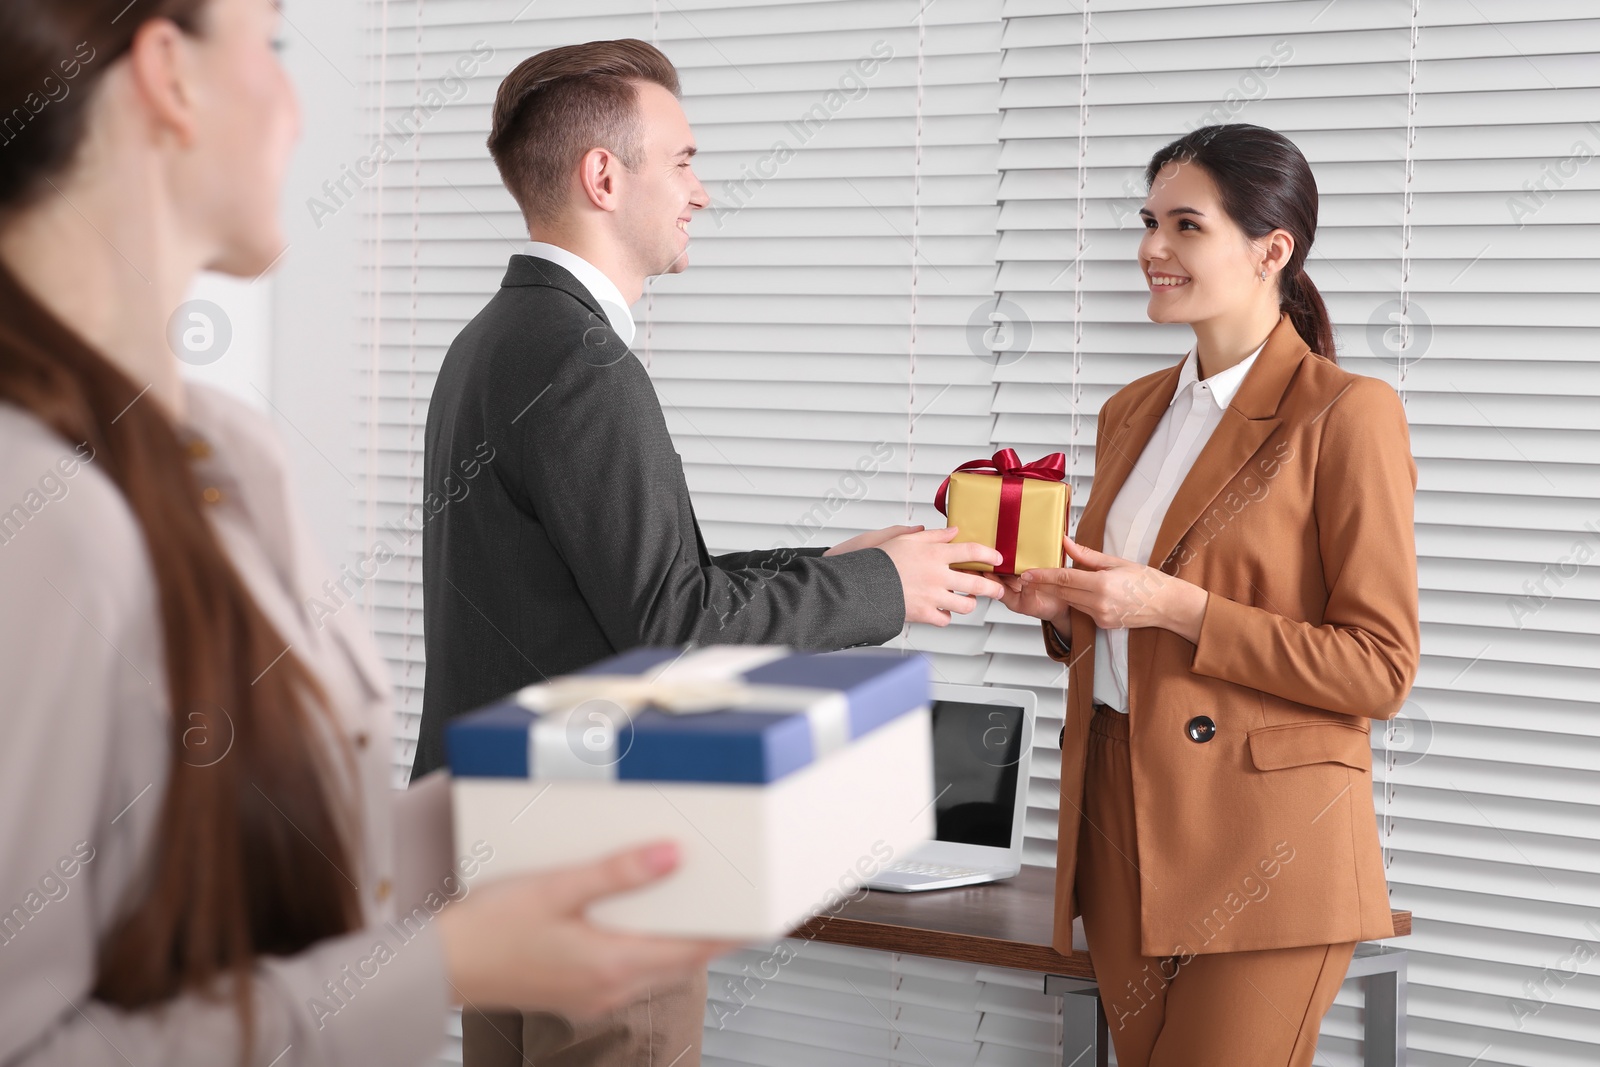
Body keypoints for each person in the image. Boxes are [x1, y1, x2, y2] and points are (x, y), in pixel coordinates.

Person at [0, 3, 737, 1065]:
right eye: (275, 48)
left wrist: (550, 818)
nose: (301, 114)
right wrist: (445, 960)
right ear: (169, 74)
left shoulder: (226, 454)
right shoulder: (41, 505)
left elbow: (248, 860)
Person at [410, 37, 1006, 1067]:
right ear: (605, 175)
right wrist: (879, 589)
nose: (703, 190)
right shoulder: (584, 360)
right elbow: (672, 624)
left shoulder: (496, 338)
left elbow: (625, 585)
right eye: (682, 160)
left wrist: (834, 557)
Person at [999, 124, 1420, 1067]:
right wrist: (1064, 611)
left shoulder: (1347, 413)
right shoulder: (1134, 410)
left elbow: (1380, 669)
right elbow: (1123, 617)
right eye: (1149, 222)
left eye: (1186, 226)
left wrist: (1171, 606)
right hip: (1120, 813)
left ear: (1273, 250)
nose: (1153, 248)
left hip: (1265, 840)